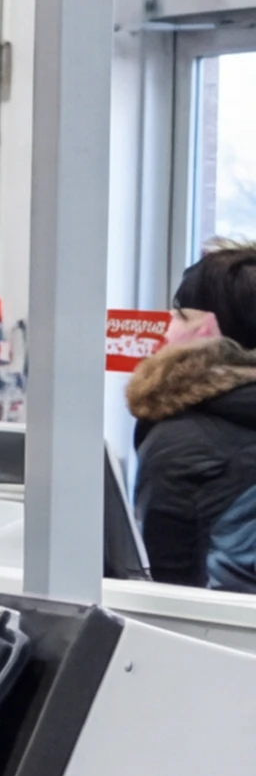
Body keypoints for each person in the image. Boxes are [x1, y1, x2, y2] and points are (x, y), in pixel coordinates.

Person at [130, 243, 256, 581]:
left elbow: (169, 593)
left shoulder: (179, 442)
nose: (169, 329)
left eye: (181, 316)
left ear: (211, 334)